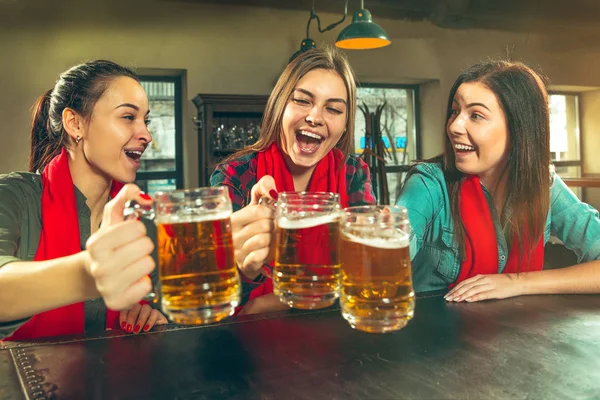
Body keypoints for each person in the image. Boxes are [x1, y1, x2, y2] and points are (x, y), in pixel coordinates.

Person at [396, 60, 600, 302]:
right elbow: (383, 261)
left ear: (518, 130)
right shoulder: (429, 184)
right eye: (454, 111)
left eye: (476, 115)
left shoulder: (542, 184)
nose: (454, 126)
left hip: (521, 334)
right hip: (437, 336)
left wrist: (517, 283)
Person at [0, 60, 167, 341]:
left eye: (145, 120)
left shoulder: (143, 219)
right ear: (75, 123)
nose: (146, 136)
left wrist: (150, 315)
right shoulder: (13, 196)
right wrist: (89, 275)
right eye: (128, 117)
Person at [210, 47, 376, 314]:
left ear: (345, 124)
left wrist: (279, 303)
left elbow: (369, 275)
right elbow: (211, 298)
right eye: (302, 100)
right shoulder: (235, 174)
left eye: (333, 108)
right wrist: (243, 270)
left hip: (337, 340)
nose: (315, 117)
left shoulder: (353, 173)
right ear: (279, 105)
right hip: (249, 344)